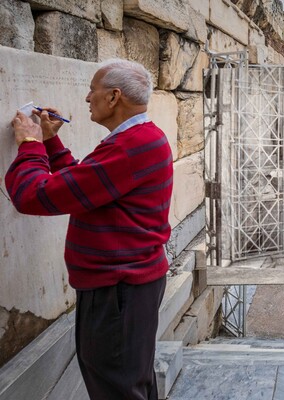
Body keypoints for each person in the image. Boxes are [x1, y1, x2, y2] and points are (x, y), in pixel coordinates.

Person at [5, 59, 173, 400]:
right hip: (129, 286)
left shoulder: (128, 147)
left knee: (116, 389)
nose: (86, 99)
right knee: (131, 384)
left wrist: (30, 146)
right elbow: (89, 190)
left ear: (113, 97)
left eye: (92, 91)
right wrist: (51, 144)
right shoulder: (142, 138)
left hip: (117, 291)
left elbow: (33, 196)